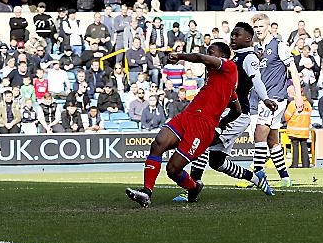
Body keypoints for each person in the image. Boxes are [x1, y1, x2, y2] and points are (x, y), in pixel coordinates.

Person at [125, 42, 239, 208]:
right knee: (158, 143)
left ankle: (194, 187)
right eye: (207, 52)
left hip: (203, 127)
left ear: (222, 56)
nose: (207, 56)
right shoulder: (218, 79)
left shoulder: (230, 67)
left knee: (173, 169)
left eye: (211, 53)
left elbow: (237, 110)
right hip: (187, 116)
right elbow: (237, 109)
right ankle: (146, 192)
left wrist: (179, 56)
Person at [173, 23, 276, 202]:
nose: (233, 38)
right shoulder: (238, 58)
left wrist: (265, 98)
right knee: (217, 162)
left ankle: (191, 187)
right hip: (227, 111)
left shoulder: (249, 57)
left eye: (237, 35)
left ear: (248, 39)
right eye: (232, 35)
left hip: (238, 113)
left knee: (202, 143)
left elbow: (255, 78)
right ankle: (256, 178)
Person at [248, 13, 304, 188]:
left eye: (260, 26)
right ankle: (285, 178)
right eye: (255, 27)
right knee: (273, 139)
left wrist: (298, 97)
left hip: (274, 99)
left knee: (259, 136)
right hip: (262, 99)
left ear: (268, 26)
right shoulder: (257, 48)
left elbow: (293, 70)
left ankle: (257, 177)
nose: (258, 30)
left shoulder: (279, 46)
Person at [284, 90, 311, 168]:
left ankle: (295, 164)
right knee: (304, 147)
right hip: (304, 130)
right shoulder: (307, 104)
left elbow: (287, 116)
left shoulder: (293, 104)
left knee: (295, 147)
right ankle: (306, 165)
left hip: (294, 129)